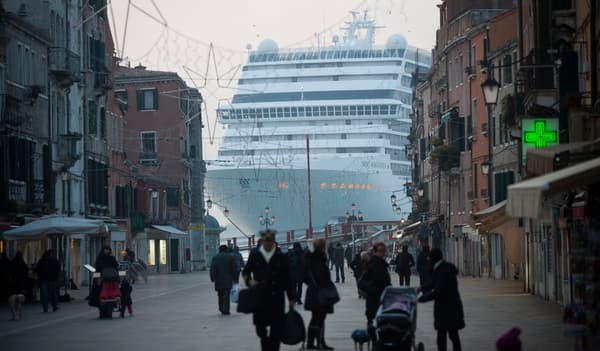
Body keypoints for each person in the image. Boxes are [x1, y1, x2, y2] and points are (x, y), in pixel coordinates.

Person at [242, 230, 295, 351]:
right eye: (266, 241)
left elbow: (288, 279)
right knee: (261, 329)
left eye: (270, 241)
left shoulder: (281, 256)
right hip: (260, 297)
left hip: (277, 297)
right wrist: (249, 281)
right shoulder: (255, 254)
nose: (268, 244)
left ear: (273, 242)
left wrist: (291, 298)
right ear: (262, 241)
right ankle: (266, 345)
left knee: (276, 330)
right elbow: (245, 272)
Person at [418, 248, 465, 351]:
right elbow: (434, 283)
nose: (428, 260)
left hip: (447, 308)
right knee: (452, 335)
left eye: (429, 258)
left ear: (433, 258)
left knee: (444, 335)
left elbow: (438, 291)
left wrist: (420, 299)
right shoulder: (443, 268)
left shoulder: (443, 271)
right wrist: (421, 288)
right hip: (450, 307)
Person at [304, 238, 336, 350]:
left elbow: (305, 276)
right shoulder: (320, 258)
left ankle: (311, 343)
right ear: (323, 246)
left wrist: (311, 285)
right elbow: (322, 276)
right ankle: (320, 343)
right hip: (320, 293)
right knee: (320, 318)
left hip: (313, 292)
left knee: (315, 317)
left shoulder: (311, 257)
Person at [362, 242, 391, 339]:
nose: (382, 253)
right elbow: (362, 282)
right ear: (374, 252)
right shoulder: (372, 264)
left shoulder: (383, 265)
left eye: (383, 251)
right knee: (373, 326)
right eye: (380, 251)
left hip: (383, 300)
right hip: (373, 300)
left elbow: (385, 282)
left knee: (383, 325)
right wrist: (373, 290)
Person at [210, 245, 238, 315]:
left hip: (218, 279)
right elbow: (234, 269)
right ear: (226, 250)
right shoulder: (231, 257)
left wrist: (212, 278)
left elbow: (212, 269)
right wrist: (235, 278)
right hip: (228, 279)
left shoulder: (215, 257)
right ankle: (226, 310)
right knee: (227, 294)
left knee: (220, 294)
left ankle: (221, 307)